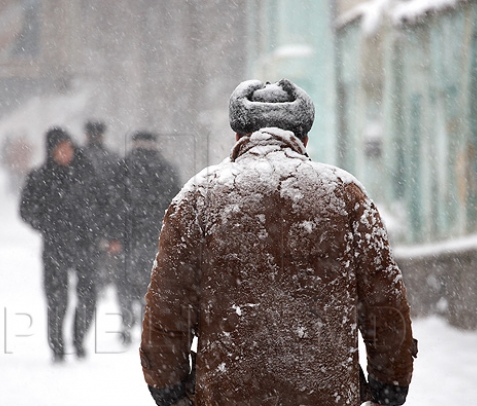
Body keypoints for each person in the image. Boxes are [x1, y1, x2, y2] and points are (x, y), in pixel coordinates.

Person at [139, 79, 417, 405]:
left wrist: (169, 390)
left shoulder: (199, 196)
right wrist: (390, 385)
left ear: (239, 136)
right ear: (304, 137)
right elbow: (383, 302)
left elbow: (168, 307)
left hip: (227, 395)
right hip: (327, 395)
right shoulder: (345, 194)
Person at [19, 127, 98, 362]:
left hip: (85, 243)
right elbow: (25, 210)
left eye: (68, 148)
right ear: (51, 151)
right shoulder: (39, 177)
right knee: (56, 297)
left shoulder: (86, 174)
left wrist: (97, 228)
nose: (65, 153)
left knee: (88, 295)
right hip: (55, 245)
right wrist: (45, 224)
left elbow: (104, 203)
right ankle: (57, 345)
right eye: (60, 149)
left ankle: (78, 338)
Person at [118, 130, 179, 345]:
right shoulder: (167, 168)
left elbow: (113, 201)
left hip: (127, 234)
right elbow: (176, 202)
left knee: (124, 279)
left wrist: (113, 232)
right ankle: (148, 323)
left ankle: (125, 323)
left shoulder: (123, 166)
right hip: (156, 233)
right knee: (151, 280)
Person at [76, 120, 124, 290]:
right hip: (106, 212)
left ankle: (90, 282)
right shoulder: (113, 158)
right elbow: (118, 189)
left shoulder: (78, 156)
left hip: (81, 216)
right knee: (105, 248)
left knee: (87, 253)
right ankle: (103, 278)